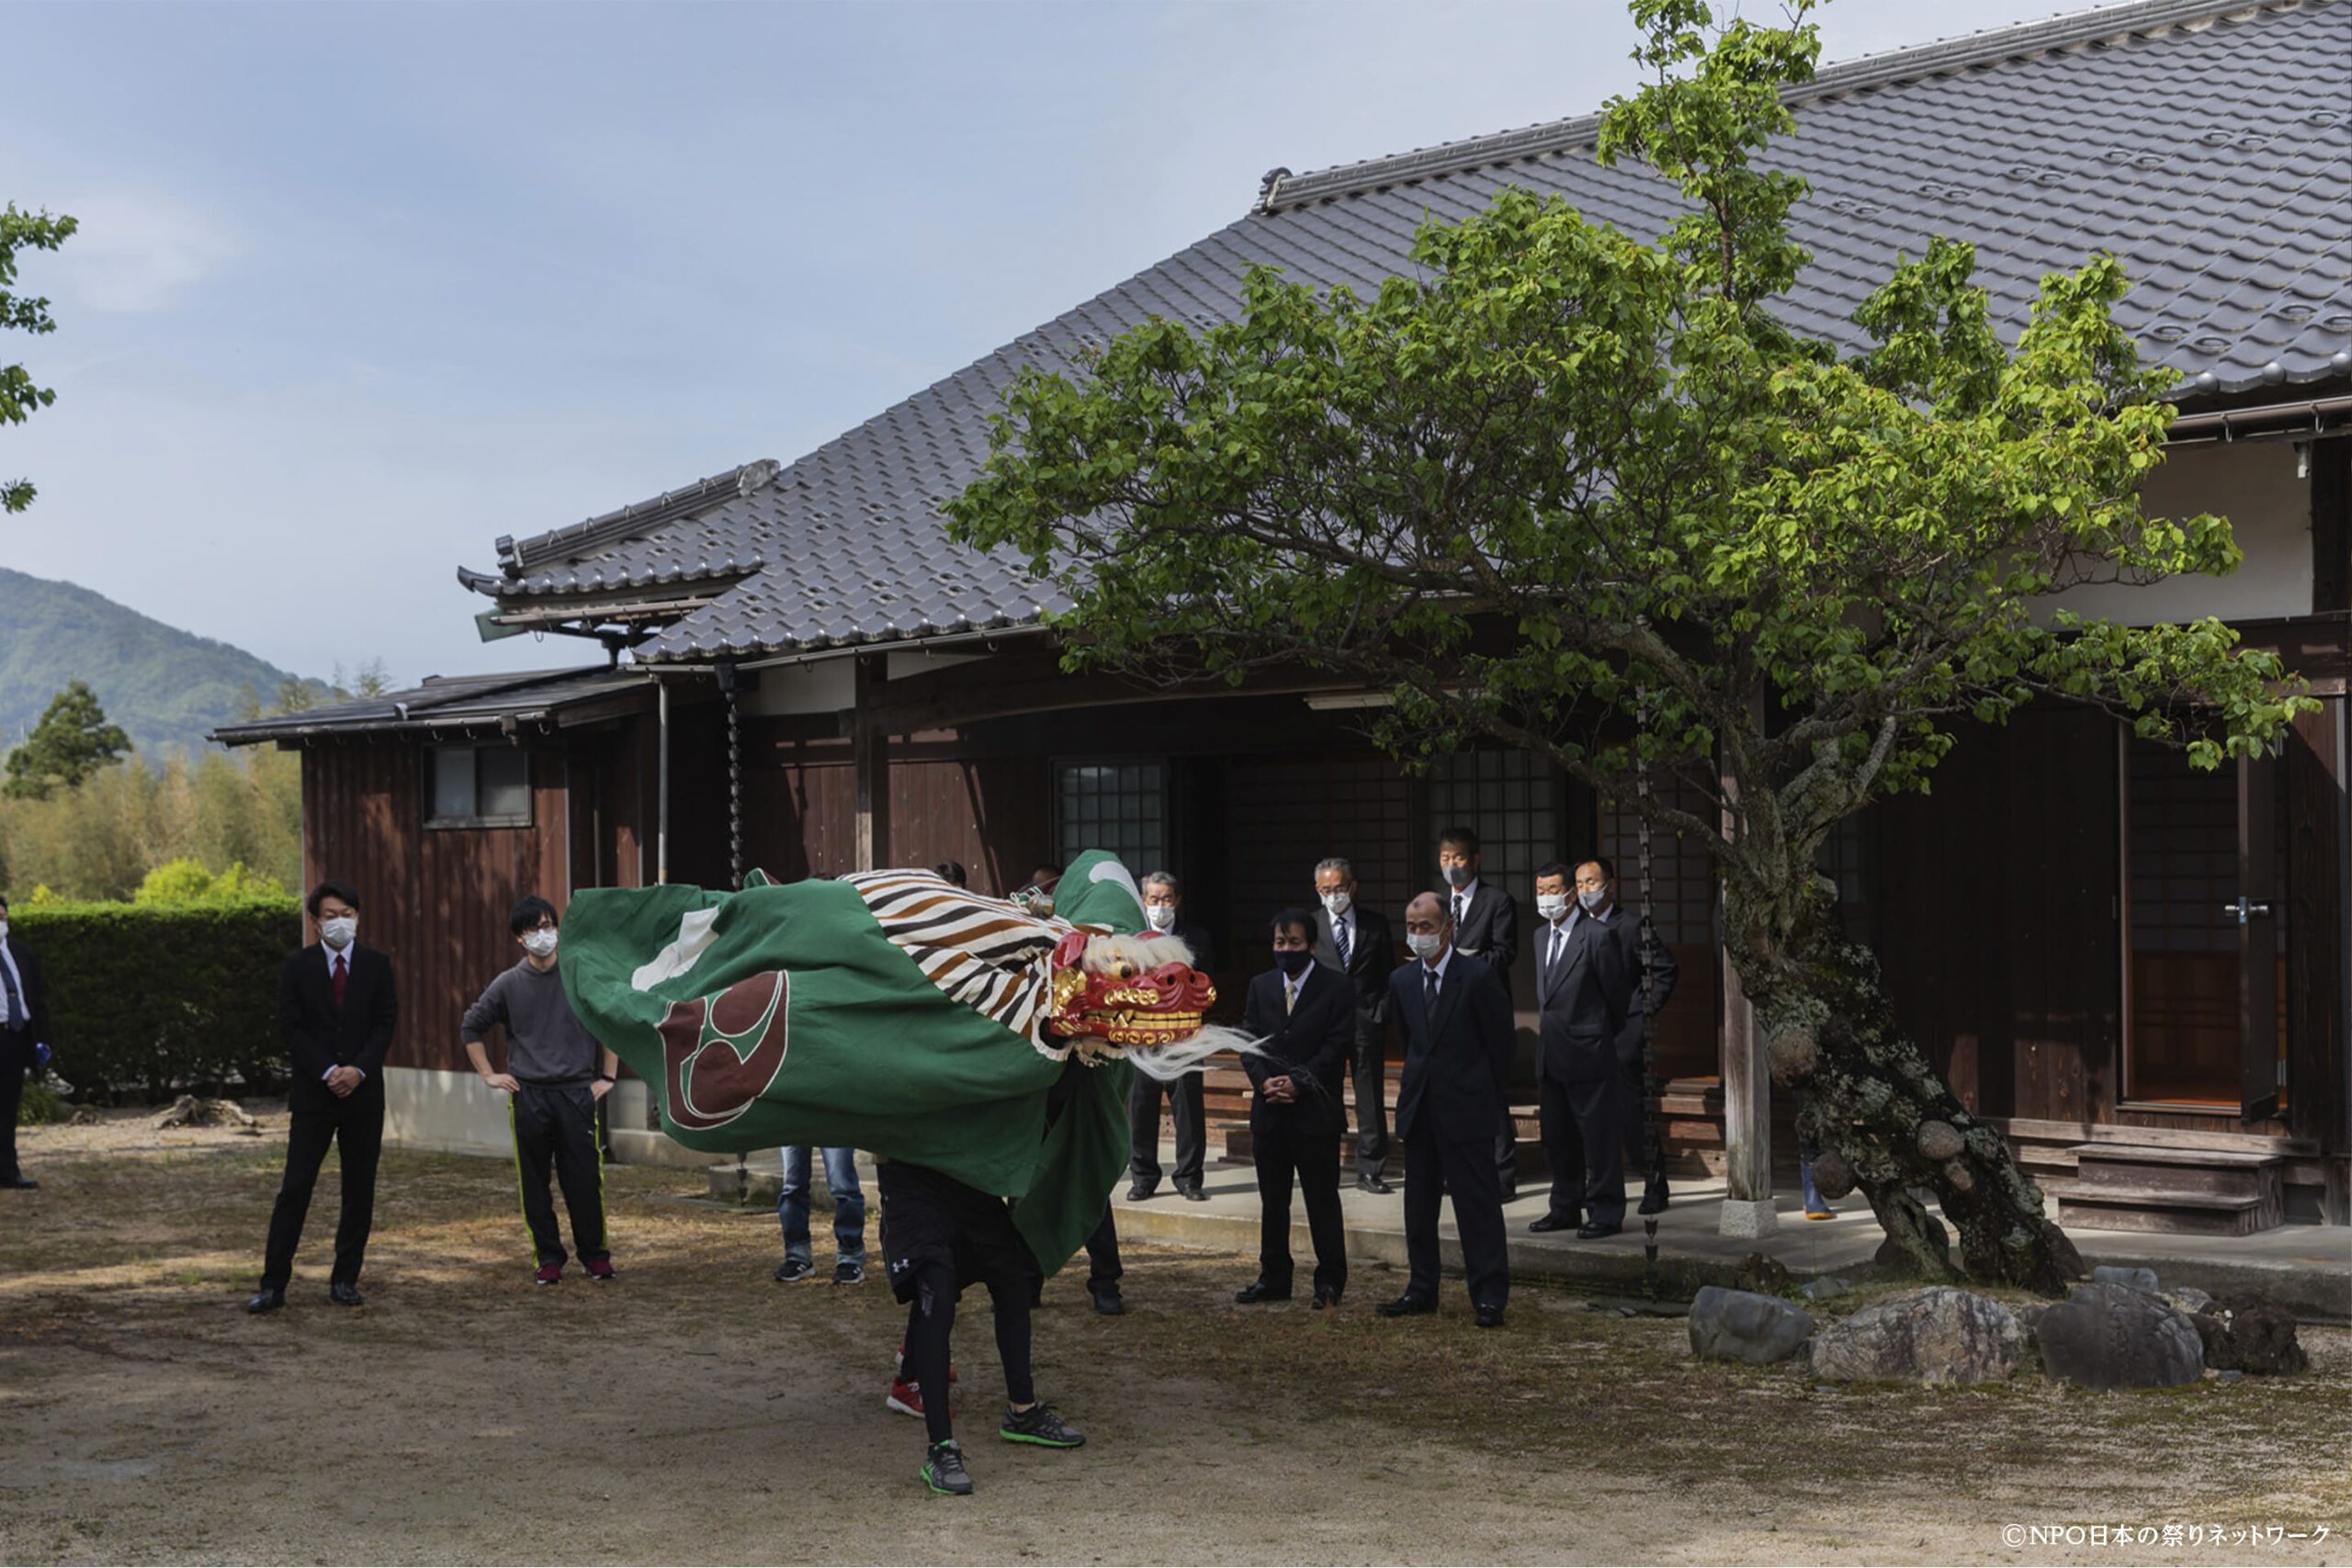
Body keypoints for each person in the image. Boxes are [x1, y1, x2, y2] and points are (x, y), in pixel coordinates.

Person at [878, 1155, 1087, 1496]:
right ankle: (941, 1447)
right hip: (911, 1184)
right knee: (937, 1296)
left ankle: (1023, 1411)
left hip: (967, 1172)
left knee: (1012, 1279)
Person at [250, 879, 397, 1314]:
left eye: (346, 914)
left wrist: (359, 1069)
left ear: (358, 918)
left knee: (358, 1189)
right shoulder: (298, 966)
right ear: (314, 922)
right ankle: (274, 1283)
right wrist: (329, 1070)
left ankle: (346, 1278)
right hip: (314, 1095)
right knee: (295, 1187)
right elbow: (290, 1027)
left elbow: (385, 1024)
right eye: (330, 916)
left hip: (364, 1094)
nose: (339, 923)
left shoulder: (376, 965)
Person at [462, 896, 620, 1286]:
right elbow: (471, 1027)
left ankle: (595, 1255)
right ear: (520, 937)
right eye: (534, 929)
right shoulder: (508, 984)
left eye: (549, 925)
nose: (544, 935)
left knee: (584, 1180)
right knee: (533, 1182)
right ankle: (548, 1257)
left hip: (576, 1093)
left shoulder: (578, 976)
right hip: (529, 1094)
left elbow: (608, 1023)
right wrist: (488, 1074)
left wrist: (609, 1078)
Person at [1379, 892, 1512, 1327]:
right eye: (1412, 927)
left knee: (1477, 1207)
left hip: (1467, 1106)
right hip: (1420, 1107)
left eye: (1426, 927)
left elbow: (1499, 1045)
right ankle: (1421, 1289)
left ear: (1448, 927)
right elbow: (1409, 1040)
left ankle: (1489, 1296)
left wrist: (1486, 1099)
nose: (1418, 935)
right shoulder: (1401, 981)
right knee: (1419, 1208)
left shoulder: (1477, 977)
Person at [1236, 908, 1352, 1308]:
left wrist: (1299, 1083)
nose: (1286, 950)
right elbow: (1249, 1040)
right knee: (1273, 1200)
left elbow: (1337, 1046)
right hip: (1269, 1111)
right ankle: (1274, 1277)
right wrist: (1263, 1080)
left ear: (1313, 946)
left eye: (1295, 943)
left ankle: (1330, 1281)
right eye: (1280, 943)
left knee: (1322, 1200)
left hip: (1315, 1114)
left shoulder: (1336, 987)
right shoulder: (1261, 985)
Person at [1528, 862, 1631, 1238]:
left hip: (1589, 1050)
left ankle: (1605, 1211)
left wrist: (1598, 1032)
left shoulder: (1597, 935)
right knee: (1557, 1137)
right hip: (1551, 1051)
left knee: (1598, 1138)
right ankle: (1564, 1207)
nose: (1546, 897)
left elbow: (1616, 995)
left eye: (1553, 889)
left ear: (1571, 893)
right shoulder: (1540, 936)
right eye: (1540, 890)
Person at [1574, 856, 1681, 1215]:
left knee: (1633, 1115)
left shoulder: (1632, 925)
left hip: (1622, 1036)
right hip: (1584, 1038)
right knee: (1590, 1118)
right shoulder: (1573, 928)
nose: (1585, 890)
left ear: (1610, 884)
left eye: (1591, 882)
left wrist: (1639, 1016)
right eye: (1579, 884)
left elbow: (1664, 970)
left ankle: (1654, 1184)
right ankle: (1596, 1186)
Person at [1439, 825, 1522, 1201]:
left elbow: (1504, 953)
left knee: (1491, 1093)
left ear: (1474, 860)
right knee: (1451, 1094)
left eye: (1457, 857)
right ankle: (1456, 1172)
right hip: (1444, 1011)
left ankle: (1503, 1176)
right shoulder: (1437, 904)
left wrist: (1462, 963)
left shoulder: (1497, 900)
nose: (1451, 865)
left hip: (1485, 1008)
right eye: (1444, 858)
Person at [1311, 857, 1397, 1194]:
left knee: (1370, 1097)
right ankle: (1323, 1165)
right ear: (1318, 891)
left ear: (1353, 887)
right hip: (1326, 1025)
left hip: (1366, 1020)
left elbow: (1388, 972)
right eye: (1327, 889)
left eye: (1340, 888)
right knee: (1323, 1096)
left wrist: (1381, 1012)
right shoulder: (1311, 924)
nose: (1335, 895)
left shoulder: (1375, 925)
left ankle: (1371, 1168)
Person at [1126, 871, 1211, 1202]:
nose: (1160, 905)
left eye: (1166, 899)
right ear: (1143, 900)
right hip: (1143, 1036)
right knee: (1141, 1107)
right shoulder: (1132, 938)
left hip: (1185, 1034)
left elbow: (1206, 983)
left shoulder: (1198, 937)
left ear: (1176, 901)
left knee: (1189, 1108)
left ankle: (1189, 1178)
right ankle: (1143, 1178)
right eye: (1153, 899)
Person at [0, 894, 52, 1190]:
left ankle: (8, 1171)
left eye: (2, 917)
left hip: (15, 1038)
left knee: (7, 1108)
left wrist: (42, 1040)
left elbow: (37, 998)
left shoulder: (22, 953)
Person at [774, 1145, 866, 1284]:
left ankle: (850, 1256)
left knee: (843, 1187)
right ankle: (797, 1255)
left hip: (835, 1125)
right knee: (792, 1187)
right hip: (792, 1125)